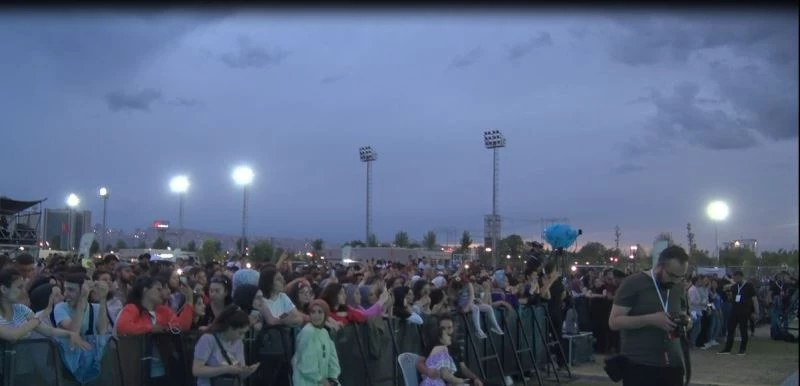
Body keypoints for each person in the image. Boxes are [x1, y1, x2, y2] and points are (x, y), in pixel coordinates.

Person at [609, 245, 691, 386]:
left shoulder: (678, 286)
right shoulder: (633, 283)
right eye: (671, 275)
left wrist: (686, 321)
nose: (676, 280)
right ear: (659, 266)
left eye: (681, 276)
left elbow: (683, 312)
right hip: (640, 365)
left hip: (673, 364)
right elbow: (614, 322)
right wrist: (650, 320)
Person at [191, 305, 260, 386]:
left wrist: (246, 372)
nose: (242, 337)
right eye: (240, 333)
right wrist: (226, 369)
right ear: (229, 328)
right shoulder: (208, 339)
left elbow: (240, 375)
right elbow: (197, 370)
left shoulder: (239, 343)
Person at [292, 299, 341, 386]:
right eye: (313, 312)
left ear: (325, 314)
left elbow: (333, 359)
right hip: (306, 381)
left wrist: (333, 378)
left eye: (320, 312)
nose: (316, 316)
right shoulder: (308, 332)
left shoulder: (324, 332)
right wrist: (322, 380)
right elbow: (306, 365)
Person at [718, 271, 759, 355]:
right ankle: (727, 349)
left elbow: (754, 299)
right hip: (734, 310)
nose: (734, 279)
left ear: (740, 277)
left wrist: (756, 311)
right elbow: (729, 295)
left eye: (735, 278)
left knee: (743, 330)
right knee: (730, 329)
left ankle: (742, 349)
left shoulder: (749, 286)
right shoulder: (734, 286)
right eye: (733, 278)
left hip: (744, 311)